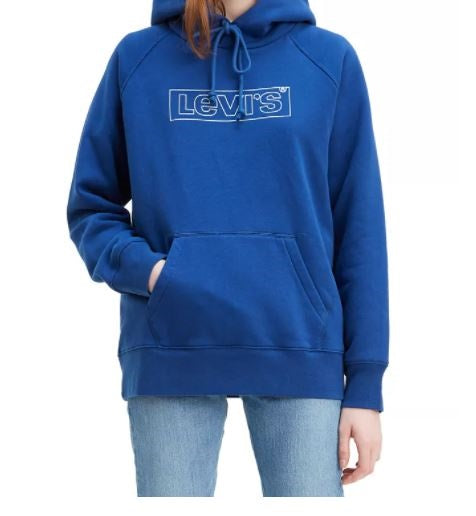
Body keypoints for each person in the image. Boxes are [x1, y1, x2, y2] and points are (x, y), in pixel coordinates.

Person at [67, 0, 389, 497]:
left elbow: (359, 226)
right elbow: (91, 206)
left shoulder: (328, 60)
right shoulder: (138, 59)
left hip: (299, 344)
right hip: (173, 344)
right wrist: (153, 275)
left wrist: (365, 384)